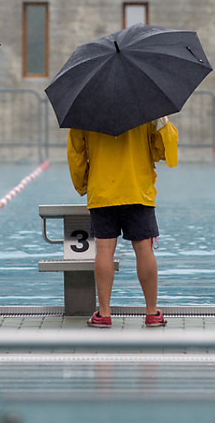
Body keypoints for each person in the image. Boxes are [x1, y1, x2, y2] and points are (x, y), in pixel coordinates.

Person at [67, 116, 178, 328]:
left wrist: (83, 184)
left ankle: (105, 313)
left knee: (104, 248)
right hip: (137, 188)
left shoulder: (85, 110)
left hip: (102, 190)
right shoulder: (145, 108)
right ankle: (152, 313)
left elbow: (76, 153)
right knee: (144, 247)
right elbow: (163, 146)